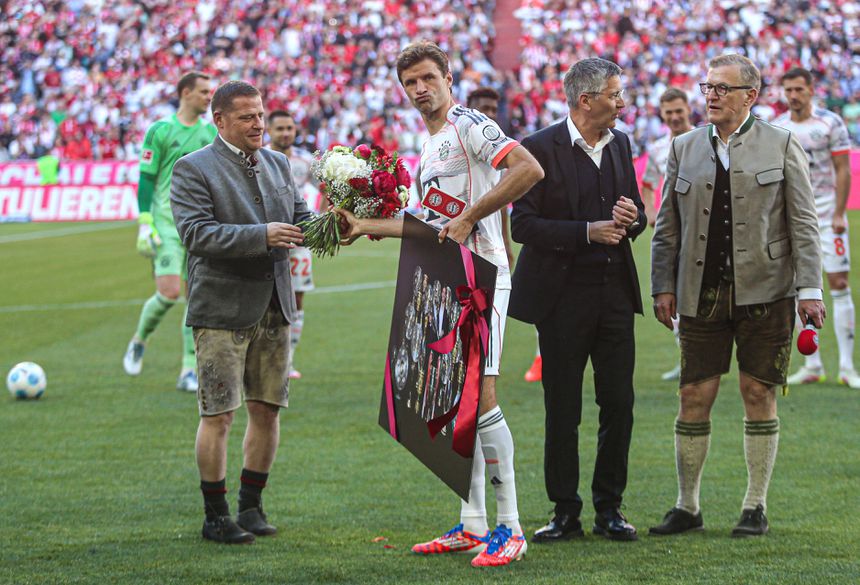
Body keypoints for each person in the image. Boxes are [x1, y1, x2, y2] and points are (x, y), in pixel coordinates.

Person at [337, 41, 544, 567]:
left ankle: (511, 527)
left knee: (486, 397)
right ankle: (473, 525)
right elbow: (426, 224)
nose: (420, 90)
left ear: (449, 77)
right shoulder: (428, 145)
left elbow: (528, 169)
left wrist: (473, 215)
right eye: (410, 83)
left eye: (428, 78)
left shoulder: (470, 124)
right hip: (445, 281)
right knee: (456, 404)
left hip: (482, 279)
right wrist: (364, 226)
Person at [650, 54, 824, 538]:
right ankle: (687, 506)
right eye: (707, 87)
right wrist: (662, 285)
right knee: (692, 394)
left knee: (759, 392)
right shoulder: (683, 146)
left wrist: (809, 290)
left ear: (751, 95)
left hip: (768, 288)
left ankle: (755, 505)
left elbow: (804, 224)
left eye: (722, 89)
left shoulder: (782, 143)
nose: (711, 95)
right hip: (699, 291)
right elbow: (668, 225)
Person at [510, 58, 645, 544]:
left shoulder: (622, 143)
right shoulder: (538, 148)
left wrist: (634, 217)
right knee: (562, 408)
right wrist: (586, 232)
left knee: (619, 404)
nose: (622, 103)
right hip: (561, 299)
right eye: (615, 94)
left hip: (614, 295)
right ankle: (564, 510)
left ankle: (610, 508)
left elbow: (635, 215)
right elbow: (521, 225)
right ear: (585, 100)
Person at [170, 81, 312, 544]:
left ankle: (251, 507)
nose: (258, 124)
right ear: (221, 121)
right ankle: (215, 515)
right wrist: (262, 235)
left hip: (275, 304)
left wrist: (347, 220)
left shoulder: (277, 163)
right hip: (222, 308)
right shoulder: (193, 168)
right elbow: (197, 234)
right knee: (219, 415)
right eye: (248, 116)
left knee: (267, 410)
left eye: (260, 114)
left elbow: (301, 220)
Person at [122, 72, 217, 392]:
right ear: (186, 93)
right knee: (169, 292)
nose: (209, 97)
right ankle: (140, 339)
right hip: (166, 222)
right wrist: (145, 219)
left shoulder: (210, 133)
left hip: (199, 225)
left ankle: (188, 369)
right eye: (203, 92)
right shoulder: (161, 130)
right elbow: (147, 177)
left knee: (197, 300)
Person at [774, 68, 859, 388]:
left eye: (799, 89)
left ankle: (848, 367)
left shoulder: (830, 123)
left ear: (811, 90)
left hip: (825, 213)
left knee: (838, 282)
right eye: (788, 90)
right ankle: (812, 365)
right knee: (799, 287)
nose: (793, 95)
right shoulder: (778, 127)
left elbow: (842, 169)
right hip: (794, 216)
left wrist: (839, 212)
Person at [465, 87, 543, 384]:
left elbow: (499, 207)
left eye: (493, 110)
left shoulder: (500, 156)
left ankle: (541, 357)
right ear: (468, 108)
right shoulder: (450, 149)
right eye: (483, 108)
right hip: (455, 251)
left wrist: (507, 246)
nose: (488, 115)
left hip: (490, 252)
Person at [641, 88, 695, 382]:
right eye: (668, 113)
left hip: (703, 230)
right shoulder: (658, 149)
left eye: (679, 111)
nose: (674, 117)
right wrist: (650, 211)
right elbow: (648, 183)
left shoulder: (706, 138)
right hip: (673, 234)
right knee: (671, 295)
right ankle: (688, 360)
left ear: (688, 109)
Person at [268, 110, 319, 380]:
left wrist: (321, 221)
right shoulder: (258, 157)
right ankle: (263, 358)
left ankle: (287, 361)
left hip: (298, 240)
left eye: (290, 128)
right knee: (265, 299)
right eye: (280, 129)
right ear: (269, 130)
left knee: (297, 298)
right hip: (266, 239)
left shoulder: (304, 160)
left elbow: (325, 189)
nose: (286, 133)